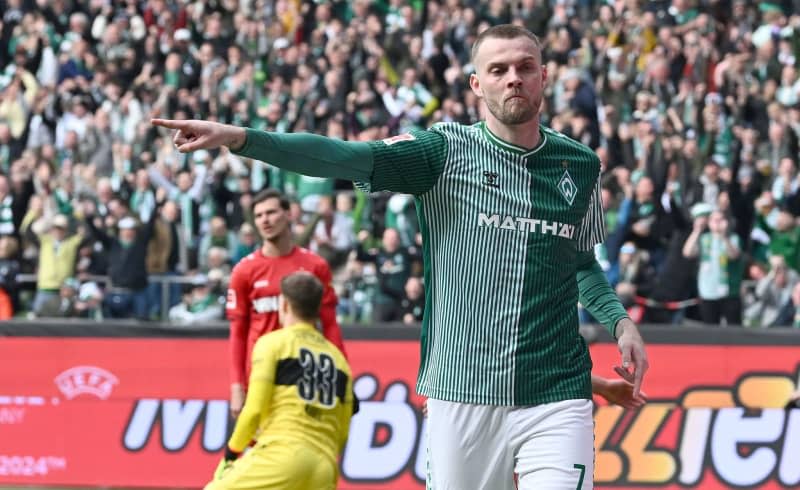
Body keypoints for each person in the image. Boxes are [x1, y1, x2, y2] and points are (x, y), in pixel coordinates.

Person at [153, 24, 648, 490]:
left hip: (558, 394)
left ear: (545, 75)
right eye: (498, 70)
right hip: (462, 388)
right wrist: (242, 138)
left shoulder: (579, 165)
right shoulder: (443, 152)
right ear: (477, 84)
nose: (513, 78)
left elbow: (581, 263)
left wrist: (619, 323)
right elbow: (342, 155)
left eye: (525, 66)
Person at [205, 272, 354, 490]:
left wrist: (231, 453)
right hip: (324, 468)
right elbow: (343, 431)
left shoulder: (273, 344)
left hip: (283, 454)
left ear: (284, 305)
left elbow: (254, 410)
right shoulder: (339, 360)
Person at [224, 188, 346, 418]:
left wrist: (341, 374)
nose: (264, 220)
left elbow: (330, 325)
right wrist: (236, 386)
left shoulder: (315, 266)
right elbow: (237, 333)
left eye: (271, 212)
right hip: (260, 378)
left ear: (288, 214)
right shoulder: (244, 270)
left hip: (306, 378)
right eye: (259, 216)